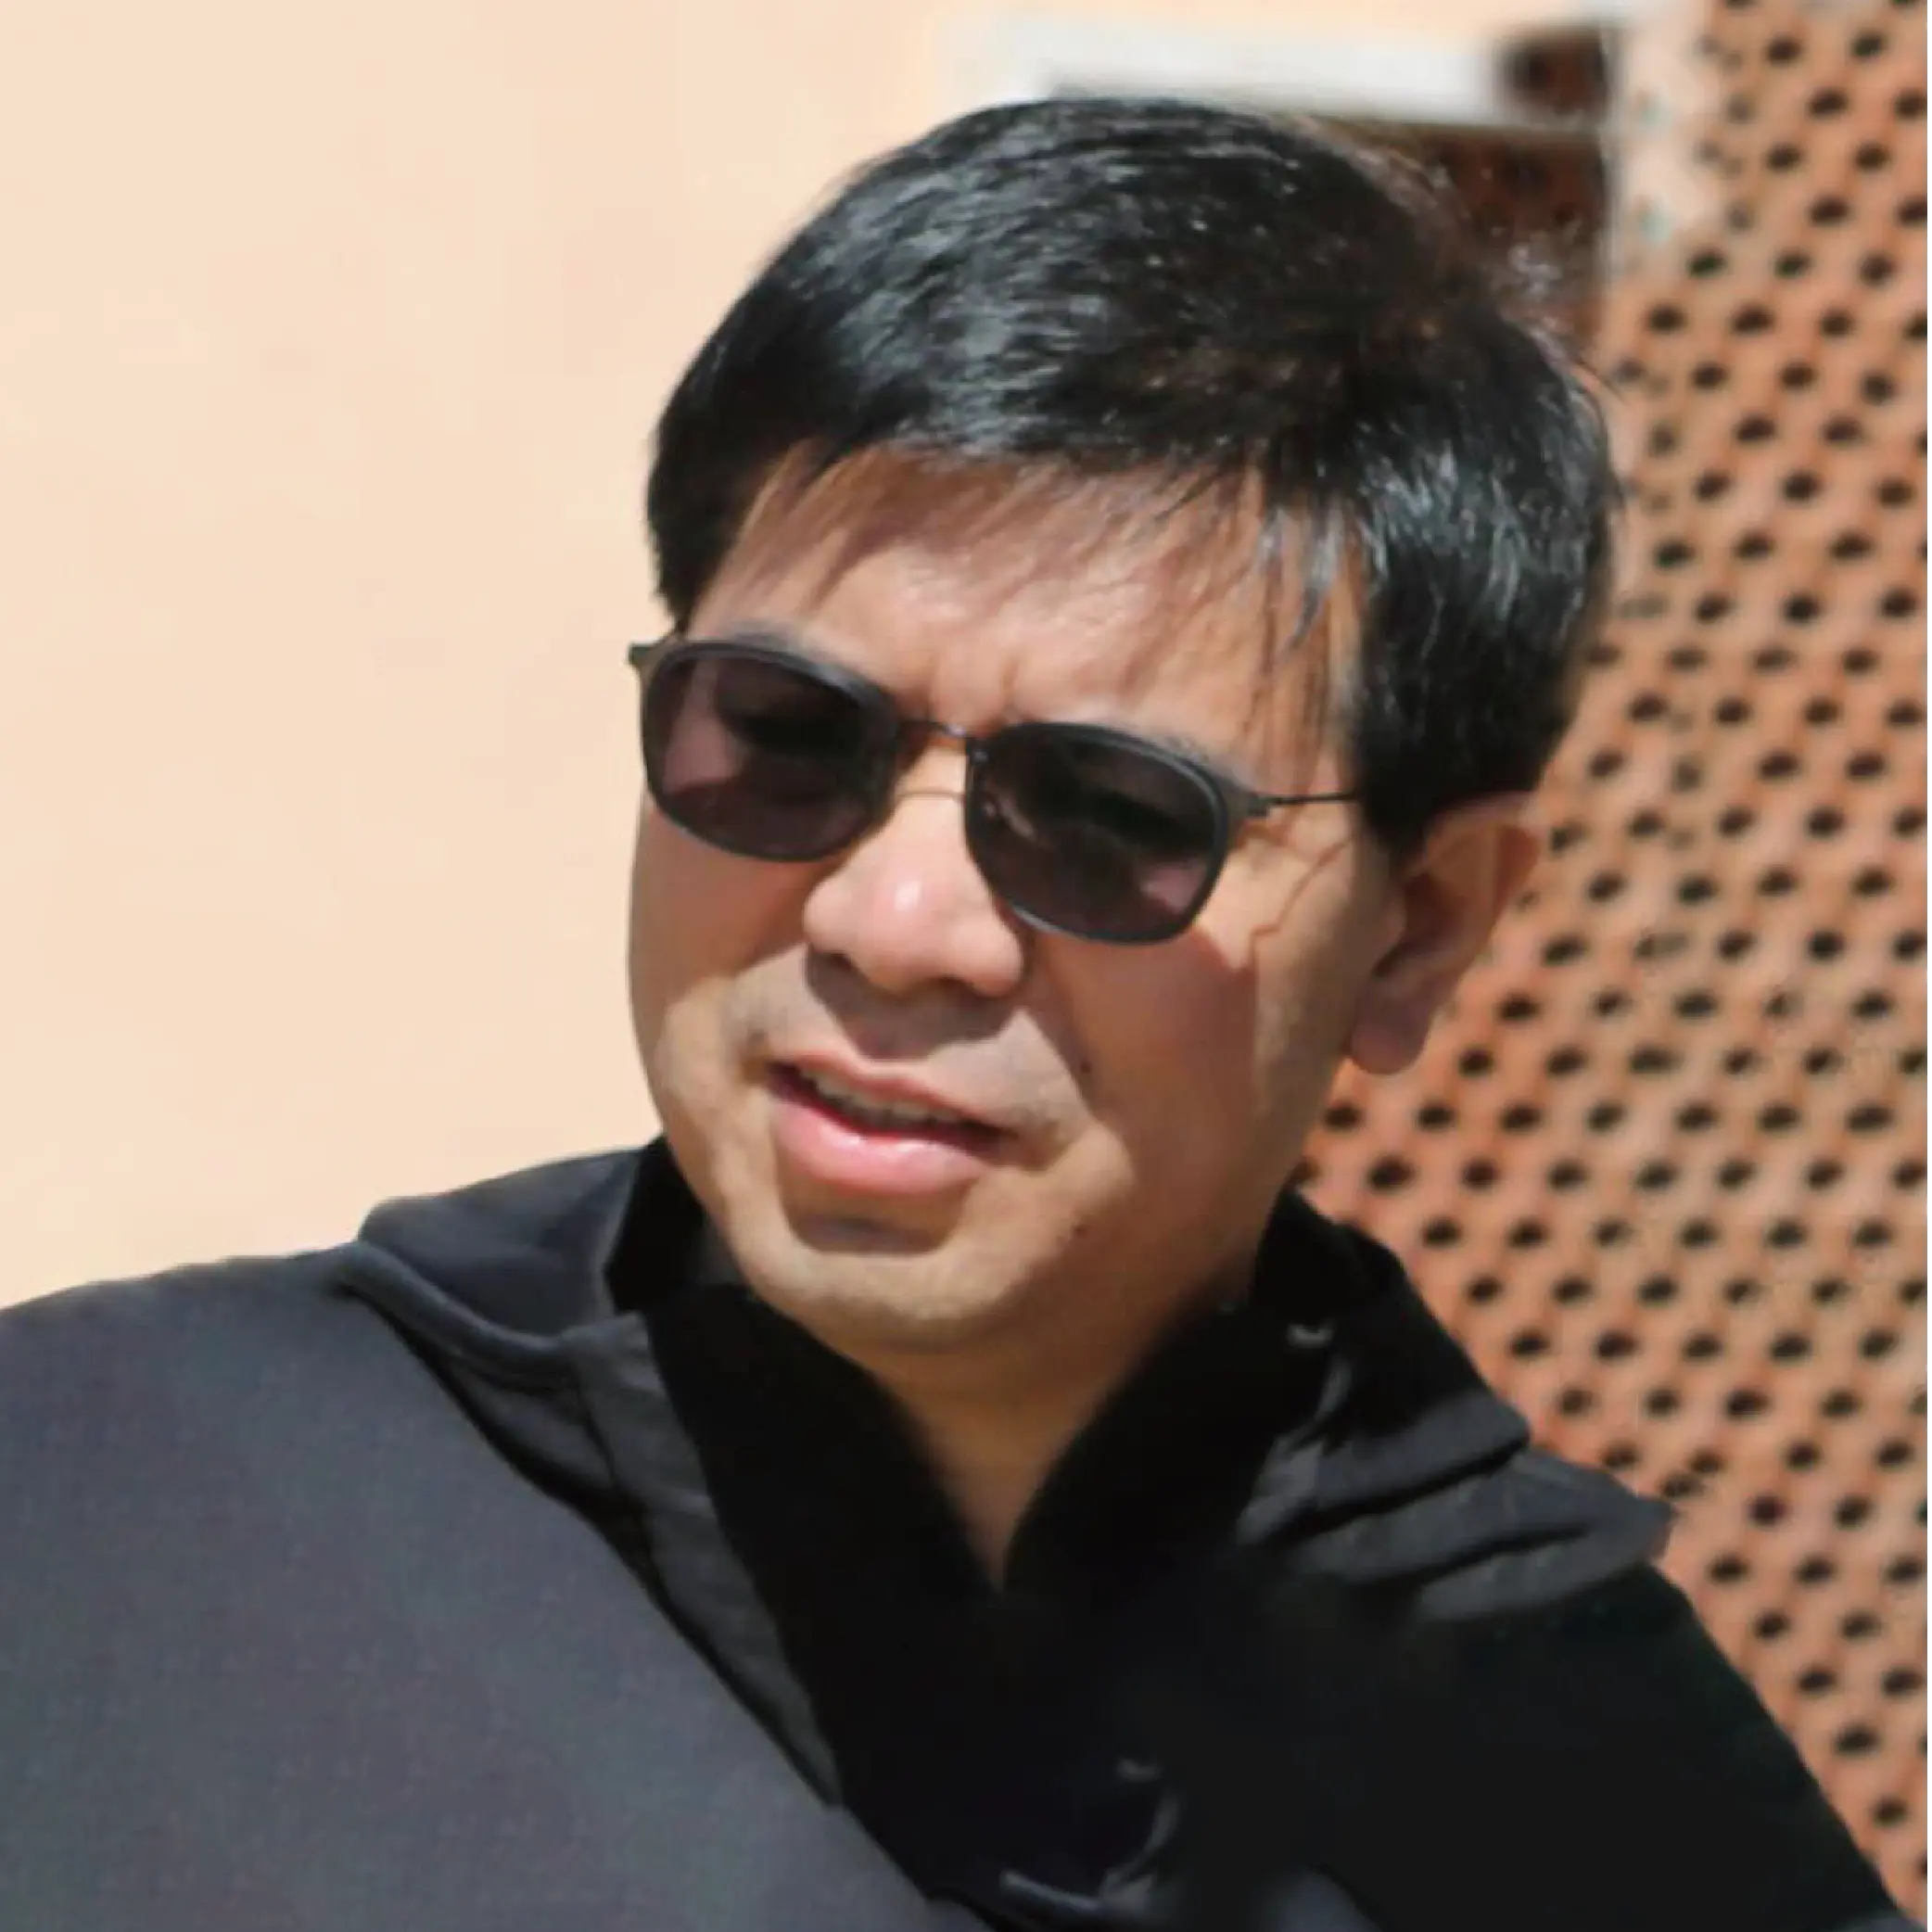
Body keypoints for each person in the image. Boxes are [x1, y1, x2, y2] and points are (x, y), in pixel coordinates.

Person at [0, 96, 1914, 1932]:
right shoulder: (110, 1520)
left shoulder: (1611, 1819)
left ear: (1415, 930)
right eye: (785, 732)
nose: (894, 919)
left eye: (1111, 815)